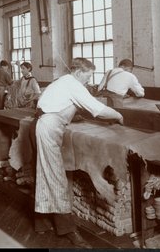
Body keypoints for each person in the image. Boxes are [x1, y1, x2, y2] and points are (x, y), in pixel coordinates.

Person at [30, 58, 123, 248]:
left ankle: (41, 223)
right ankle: (68, 230)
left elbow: (59, 106)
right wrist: (118, 115)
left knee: (43, 174)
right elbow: (98, 110)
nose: (88, 81)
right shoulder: (74, 84)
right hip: (47, 129)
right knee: (56, 179)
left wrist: (73, 115)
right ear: (79, 72)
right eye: (87, 77)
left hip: (39, 125)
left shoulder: (62, 81)